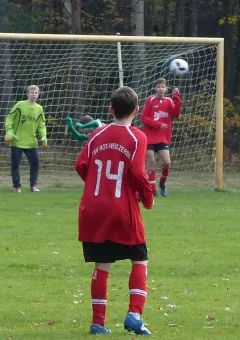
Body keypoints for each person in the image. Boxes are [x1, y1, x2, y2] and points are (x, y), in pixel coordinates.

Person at [75, 86, 154, 335]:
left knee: (102, 262)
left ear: (111, 110)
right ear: (137, 111)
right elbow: (138, 173)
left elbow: (81, 165)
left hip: (92, 209)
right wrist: (148, 196)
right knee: (139, 257)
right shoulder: (137, 137)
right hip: (121, 208)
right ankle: (134, 314)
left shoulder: (97, 134)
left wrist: (98, 186)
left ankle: (98, 322)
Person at [140, 78, 181, 197]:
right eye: (158, 87)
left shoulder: (169, 101)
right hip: (149, 136)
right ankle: (152, 188)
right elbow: (144, 118)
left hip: (163, 138)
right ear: (155, 88)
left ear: (166, 88)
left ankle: (162, 183)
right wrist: (158, 124)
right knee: (151, 161)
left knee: (167, 162)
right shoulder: (150, 100)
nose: (160, 89)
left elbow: (177, 113)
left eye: (163, 87)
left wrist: (177, 97)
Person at [4, 85, 48, 193]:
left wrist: (43, 136)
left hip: (31, 142)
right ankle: (17, 186)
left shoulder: (39, 108)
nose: (34, 94)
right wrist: (9, 131)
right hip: (17, 140)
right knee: (15, 164)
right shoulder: (20, 105)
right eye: (32, 92)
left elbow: (41, 125)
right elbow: (9, 118)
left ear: (38, 95)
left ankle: (34, 185)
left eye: (36, 93)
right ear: (27, 94)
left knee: (35, 163)